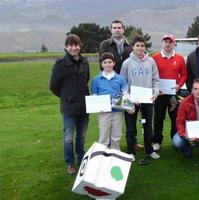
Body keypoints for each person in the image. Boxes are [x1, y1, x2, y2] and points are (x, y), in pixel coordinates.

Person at [99, 19, 143, 149]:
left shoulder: (130, 45)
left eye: (119, 27)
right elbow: (102, 64)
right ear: (111, 30)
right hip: (112, 84)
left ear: (123, 29)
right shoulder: (104, 44)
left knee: (131, 115)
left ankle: (133, 141)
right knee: (112, 116)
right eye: (114, 27)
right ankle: (107, 144)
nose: (117, 29)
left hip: (128, 84)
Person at [50, 34, 90, 175]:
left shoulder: (85, 62)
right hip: (69, 107)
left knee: (81, 135)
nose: (74, 48)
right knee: (68, 137)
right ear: (66, 47)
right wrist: (67, 96)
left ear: (80, 46)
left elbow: (86, 80)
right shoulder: (60, 64)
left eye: (76, 45)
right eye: (71, 45)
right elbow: (54, 86)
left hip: (84, 106)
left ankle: (81, 160)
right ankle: (70, 163)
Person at [120, 35, 160, 161]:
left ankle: (149, 150)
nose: (140, 48)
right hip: (131, 100)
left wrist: (156, 93)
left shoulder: (151, 61)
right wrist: (128, 98)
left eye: (142, 46)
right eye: (137, 45)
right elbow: (123, 83)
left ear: (145, 47)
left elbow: (155, 79)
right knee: (131, 127)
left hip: (148, 100)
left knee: (148, 126)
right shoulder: (126, 63)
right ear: (133, 47)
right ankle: (131, 151)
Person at [152, 34, 187, 151]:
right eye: (165, 42)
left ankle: (175, 140)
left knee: (175, 118)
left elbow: (184, 74)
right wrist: (156, 88)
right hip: (160, 94)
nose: (168, 44)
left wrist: (179, 85)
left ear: (174, 44)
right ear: (162, 43)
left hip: (173, 94)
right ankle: (157, 141)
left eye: (170, 42)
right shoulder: (155, 57)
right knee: (158, 118)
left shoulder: (179, 58)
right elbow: (152, 75)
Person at [91, 52, 129, 150]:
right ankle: (102, 156)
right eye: (105, 62)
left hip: (117, 112)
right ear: (101, 64)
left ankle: (115, 155)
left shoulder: (120, 78)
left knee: (116, 136)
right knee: (104, 136)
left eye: (110, 62)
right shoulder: (97, 79)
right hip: (104, 112)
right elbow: (94, 94)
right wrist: (96, 106)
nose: (107, 64)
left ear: (114, 63)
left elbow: (125, 93)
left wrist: (129, 105)